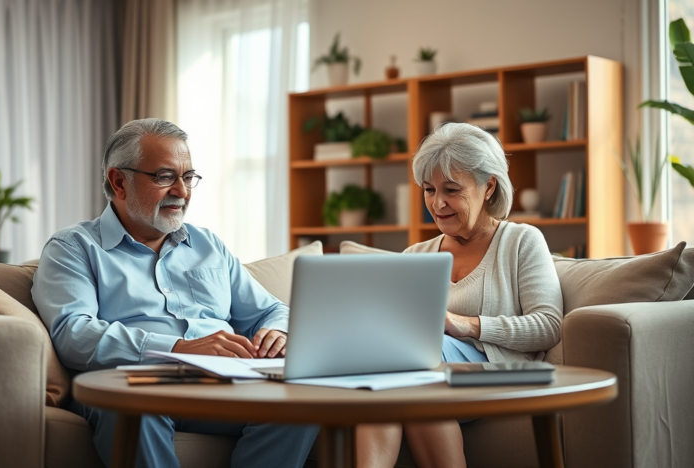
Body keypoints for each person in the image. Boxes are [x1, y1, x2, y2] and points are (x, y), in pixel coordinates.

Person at [32, 118, 318, 468]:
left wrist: (277, 330)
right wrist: (179, 350)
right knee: (132, 409)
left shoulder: (208, 244)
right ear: (118, 181)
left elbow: (271, 309)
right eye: (165, 177)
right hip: (132, 382)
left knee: (303, 401)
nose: (182, 191)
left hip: (222, 384)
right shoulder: (73, 247)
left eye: (188, 177)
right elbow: (74, 334)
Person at [356, 123, 563, 468]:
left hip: (502, 373)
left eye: (452, 190)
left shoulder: (520, 242)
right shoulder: (415, 256)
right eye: (429, 189)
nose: (438, 203)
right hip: (426, 376)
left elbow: (548, 326)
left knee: (414, 356)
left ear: (489, 186)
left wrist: (466, 325)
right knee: (402, 368)